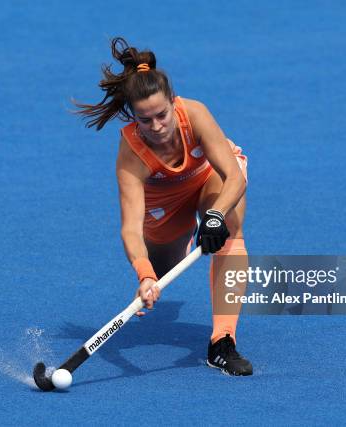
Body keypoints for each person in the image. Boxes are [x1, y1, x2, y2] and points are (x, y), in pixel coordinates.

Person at [75, 37, 252, 376]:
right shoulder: (131, 155)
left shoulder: (195, 113)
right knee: (160, 271)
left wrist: (214, 217)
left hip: (208, 180)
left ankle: (222, 342)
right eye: (145, 120)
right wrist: (144, 275)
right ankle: (180, 238)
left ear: (173, 102)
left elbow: (234, 177)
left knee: (229, 225)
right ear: (133, 117)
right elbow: (129, 227)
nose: (156, 127)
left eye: (162, 115)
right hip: (165, 207)